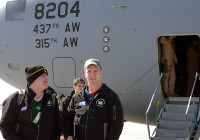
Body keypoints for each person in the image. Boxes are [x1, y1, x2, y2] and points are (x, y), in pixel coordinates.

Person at [65, 58, 124, 140]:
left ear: (101, 72)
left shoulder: (110, 97)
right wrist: (68, 135)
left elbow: (117, 125)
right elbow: (67, 118)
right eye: (89, 71)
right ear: (85, 74)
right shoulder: (77, 97)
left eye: (95, 71)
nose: (92, 74)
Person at [0, 65, 61, 140]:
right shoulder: (16, 98)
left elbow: (57, 127)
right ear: (33, 79)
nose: (46, 77)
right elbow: (5, 127)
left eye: (46, 75)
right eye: (43, 75)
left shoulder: (51, 99)